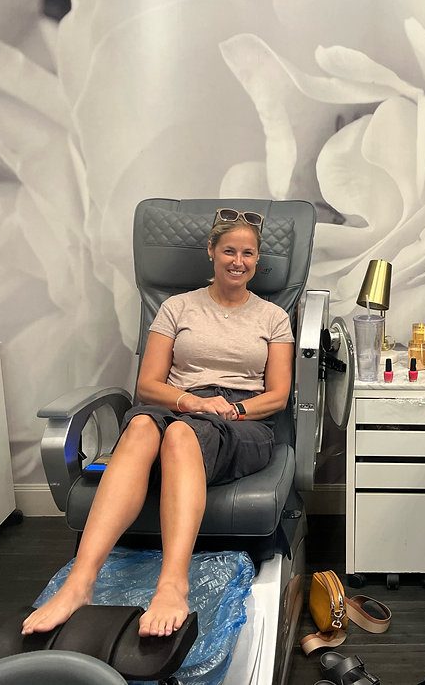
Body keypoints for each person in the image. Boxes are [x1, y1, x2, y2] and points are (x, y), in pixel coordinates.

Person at [22, 208, 295, 638]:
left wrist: (230, 409)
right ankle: (80, 582)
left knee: (182, 434)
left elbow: (277, 395)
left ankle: (172, 584)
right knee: (142, 427)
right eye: (229, 251)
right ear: (211, 252)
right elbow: (149, 385)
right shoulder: (176, 307)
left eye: (248, 253)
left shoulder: (273, 318)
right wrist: (191, 401)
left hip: (241, 419)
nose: (238, 261)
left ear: (257, 261)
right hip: (178, 404)